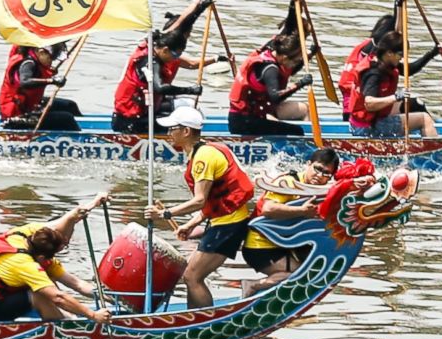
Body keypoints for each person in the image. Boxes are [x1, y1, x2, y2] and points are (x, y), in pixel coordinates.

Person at [149, 106, 257, 309]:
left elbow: (199, 200)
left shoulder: (203, 157)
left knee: (192, 277)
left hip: (228, 225)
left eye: (173, 129)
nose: (169, 134)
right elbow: (211, 203)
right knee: (191, 275)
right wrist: (190, 224)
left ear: (186, 131)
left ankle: (203, 320)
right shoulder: (204, 150)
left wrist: (165, 213)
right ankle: (196, 314)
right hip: (223, 221)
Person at [0, 196, 112, 322]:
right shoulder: (24, 264)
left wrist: (91, 205)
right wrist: (92, 315)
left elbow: (76, 283)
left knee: (47, 284)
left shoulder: (26, 232)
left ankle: (69, 317)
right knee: (41, 294)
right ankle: (63, 331)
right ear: (41, 257)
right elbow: (58, 298)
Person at [240, 147, 340, 291]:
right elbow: (268, 209)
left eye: (326, 173)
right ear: (308, 164)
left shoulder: (317, 189)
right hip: (259, 245)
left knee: (314, 270)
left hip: (282, 245)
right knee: (302, 274)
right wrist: (301, 211)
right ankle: (253, 286)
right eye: (317, 169)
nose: (319, 175)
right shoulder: (288, 182)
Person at [112, 19, 217, 132]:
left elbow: (182, 24)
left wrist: (200, 5)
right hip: (129, 120)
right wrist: (190, 90)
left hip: (146, 109)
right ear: (165, 50)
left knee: (189, 107)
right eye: (175, 55)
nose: (176, 59)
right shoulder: (149, 61)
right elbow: (160, 88)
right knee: (180, 121)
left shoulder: (157, 48)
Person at [345, 32, 440, 138]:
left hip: (365, 122)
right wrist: (395, 97)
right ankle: (435, 152)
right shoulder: (374, 73)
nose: (402, 58)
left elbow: (409, 70)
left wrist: (431, 54)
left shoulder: (385, 63)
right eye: (400, 55)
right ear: (389, 53)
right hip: (368, 127)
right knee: (424, 118)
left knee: (412, 104)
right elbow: (369, 103)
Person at [227, 31, 311, 136]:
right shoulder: (270, 70)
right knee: (297, 131)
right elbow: (275, 97)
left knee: (282, 124)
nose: (293, 65)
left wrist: (311, 51)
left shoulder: (268, 53)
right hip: (244, 122)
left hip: (250, 116)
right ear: (284, 58)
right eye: (294, 61)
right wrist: (300, 84)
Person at [0, 42, 80, 131]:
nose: (51, 62)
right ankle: (81, 141)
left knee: (69, 105)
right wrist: (52, 81)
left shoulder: (34, 55)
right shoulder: (27, 63)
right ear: (41, 52)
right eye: (50, 58)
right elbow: (25, 82)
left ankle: (83, 127)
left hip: (30, 104)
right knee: (67, 118)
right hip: (16, 115)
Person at [337, 13, 396, 115]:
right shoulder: (371, 50)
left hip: (359, 109)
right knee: (414, 106)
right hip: (358, 112)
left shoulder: (375, 51)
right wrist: (398, 2)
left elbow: (409, 70)